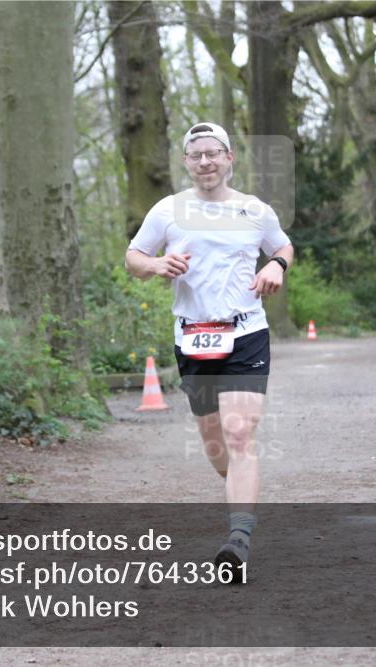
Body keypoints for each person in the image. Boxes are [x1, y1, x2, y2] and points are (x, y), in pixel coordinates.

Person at [125, 122, 294, 582]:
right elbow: (134, 256)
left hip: (245, 332)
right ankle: (240, 486)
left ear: (229, 157)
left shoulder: (254, 210)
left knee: (240, 435)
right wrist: (157, 263)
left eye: (213, 153)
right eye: (196, 155)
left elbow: (282, 245)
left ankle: (238, 540)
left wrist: (276, 265)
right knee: (217, 445)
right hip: (193, 337)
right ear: (186, 162)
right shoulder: (168, 211)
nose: (205, 162)